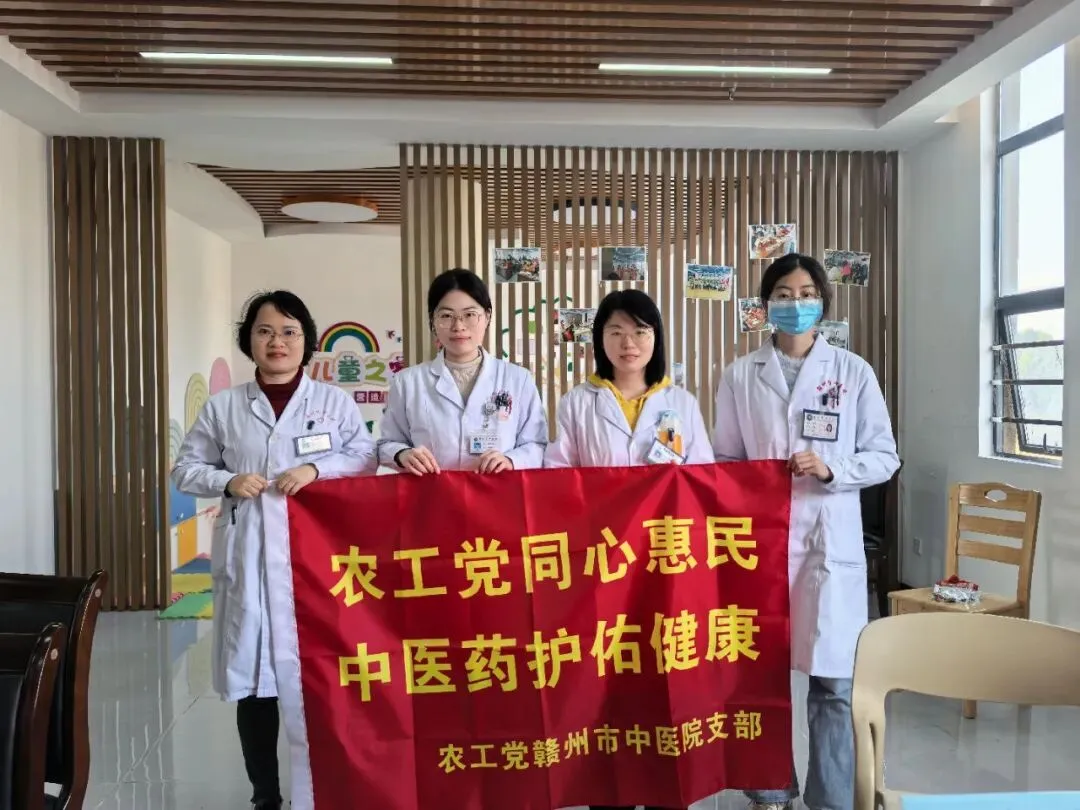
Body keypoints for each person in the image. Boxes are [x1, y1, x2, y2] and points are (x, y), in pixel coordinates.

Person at [172, 291, 377, 810]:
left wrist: (315, 468)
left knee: (322, 679)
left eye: (289, 332)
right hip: (251, 560)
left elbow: (364, 457)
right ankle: (265, 796)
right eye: (264, 331)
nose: (277, 342)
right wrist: (227, 480)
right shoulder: (224, 408)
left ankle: (329, 790)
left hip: (319, 561)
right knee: (256, 682)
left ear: (306, 340)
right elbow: (185, 469)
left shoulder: (332, 403)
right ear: (249, 341)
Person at [711, 254, 900, 810]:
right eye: (784, 295)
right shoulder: (740, 375)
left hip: (828, 545)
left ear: (823, 301)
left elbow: (884, 456)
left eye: (807, 294)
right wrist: (754, 481)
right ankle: (770, 791)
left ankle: (831, 800)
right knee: (760, 674)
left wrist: (833, 468)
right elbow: (725, 460)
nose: (796, 304)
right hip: (761, 544)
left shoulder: (853, 372)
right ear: (765, 304)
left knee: (833, 685)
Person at [378, 268, 547, 473]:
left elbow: (537, 444)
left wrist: (511, 460)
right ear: (433, 320)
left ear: (487, 316)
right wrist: (402, 454)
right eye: (446, 315)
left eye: (469, 315)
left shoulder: (518, 379)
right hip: (432, 490)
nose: (458, 326)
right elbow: (386, 444)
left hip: (498, 490)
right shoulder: (407, 382)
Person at [545, 288, 712, 469]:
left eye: (640, 332)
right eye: (616, 333)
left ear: (656, 338)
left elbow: (702, 474)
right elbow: (559, 472)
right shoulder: (576, 403)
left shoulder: (684, 403)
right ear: (600, 339)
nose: (628, 344)